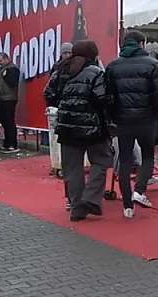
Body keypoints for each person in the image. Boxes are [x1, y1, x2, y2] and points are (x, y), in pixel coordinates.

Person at [42, 40, 113, 221]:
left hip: (66, 127)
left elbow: (48, 94)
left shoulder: (60, 70)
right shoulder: (96, 72)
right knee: (101, 160)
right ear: (92, 54)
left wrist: (63, 105)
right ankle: (89, 199)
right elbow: (101, 98)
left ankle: (75, 206)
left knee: (71, 167)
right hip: (92, 126)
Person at [105, 31, 158, 219]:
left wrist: (112, 116)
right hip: (145, 118)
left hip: (122, 120)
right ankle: (139, 190)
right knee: (147, 156)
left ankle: (127, 206)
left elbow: (108, 96)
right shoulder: (152, 64)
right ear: (141, 43)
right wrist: (155, 113)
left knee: (124, 159)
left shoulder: (113, 65)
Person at [0, 52, 21, 153]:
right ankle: (7, 143)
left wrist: (5, 76)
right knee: (4, 122)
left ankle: (12, 144)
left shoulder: (12, 69)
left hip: (9, 98)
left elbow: (12, 83)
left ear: (6, 59)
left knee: (9, 122)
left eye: (0, 61)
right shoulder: (2, 69)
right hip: (2, 98)